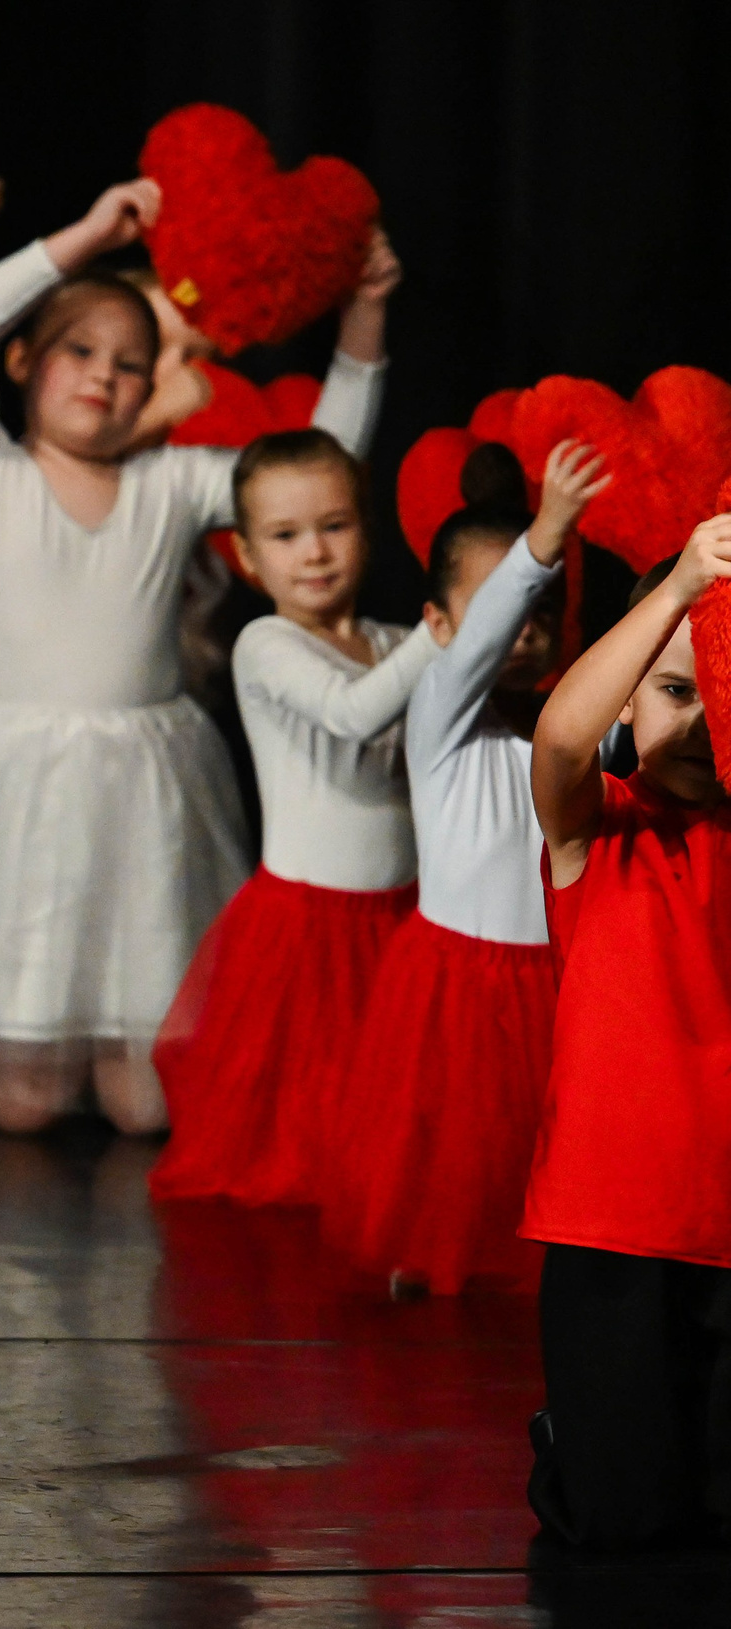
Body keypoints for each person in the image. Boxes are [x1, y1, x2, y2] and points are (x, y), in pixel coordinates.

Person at [0, 178, 392, 1134]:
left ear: (157, 390)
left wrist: (364, 329)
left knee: (147, 1105)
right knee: (20, 1106)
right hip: (19, 777)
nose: (105, 376)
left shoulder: (173, 485)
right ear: (21, 361)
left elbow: (315, 466)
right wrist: (85, 234)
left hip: (146, 776)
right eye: (81, 353)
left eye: (133, 365)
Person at [319, 442, 599, 1294]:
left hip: (551, 977)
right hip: (457, 980)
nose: (520, 629)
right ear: (439, 626)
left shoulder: (571, 727)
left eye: (540, 608)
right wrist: (543, 538)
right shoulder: (440, 710)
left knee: (533, 1134)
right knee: (448, 1133)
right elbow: (478, 648)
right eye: (493, 610)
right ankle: (430, 1247)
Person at [144, 429, 439, 1205]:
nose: (313, 551)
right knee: (309, 1115)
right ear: (247, 555)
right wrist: (453, 633)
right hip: (303, 928)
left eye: (334, 526)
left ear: (365, 531)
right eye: (285, 535)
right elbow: (350, 714)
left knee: (390, 1103)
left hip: (402, 915)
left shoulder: (391, 641)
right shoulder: (265, 643)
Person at [522, 515, 731, 1550]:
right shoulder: (594, 828)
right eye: (668, 691)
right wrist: (682, 586)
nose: (689, 727)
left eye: (712, 696)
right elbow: (559, 736)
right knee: (625, 1532)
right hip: (614, 1233)